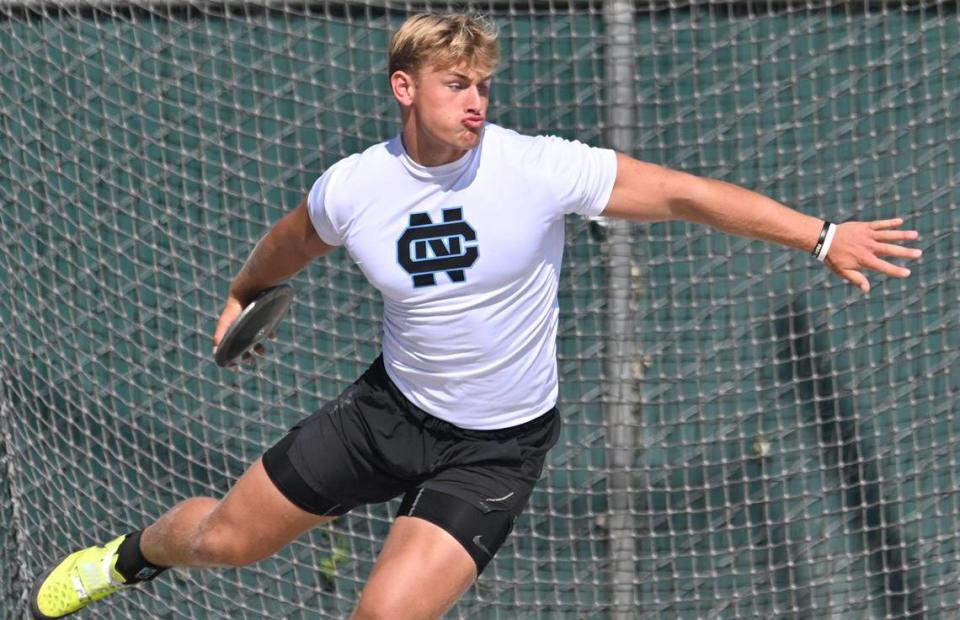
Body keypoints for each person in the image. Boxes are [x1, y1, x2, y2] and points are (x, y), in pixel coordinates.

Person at [29, 12, 921, 620]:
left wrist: (820, 235)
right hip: (385, 415)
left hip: (496, 447)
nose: (476, 100)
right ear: (403, 87)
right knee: (225, 541)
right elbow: (294, 242)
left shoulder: (537, 167)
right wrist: (239, 294)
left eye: (483, 84)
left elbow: (683, 194)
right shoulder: (354, 186)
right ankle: (129, 558)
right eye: (456, 83)